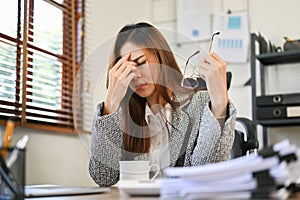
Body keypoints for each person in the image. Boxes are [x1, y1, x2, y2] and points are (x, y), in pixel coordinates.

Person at [89, 22, 236, 187]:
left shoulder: (201, 104)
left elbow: (207, 175)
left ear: (161, 58)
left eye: (141, 62)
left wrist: (219, 102)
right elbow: (103, 177)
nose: (135, 75)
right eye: (126, 69)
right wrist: (110, 103)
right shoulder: (121, 115)